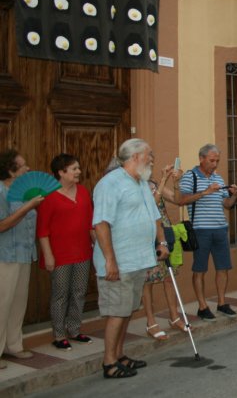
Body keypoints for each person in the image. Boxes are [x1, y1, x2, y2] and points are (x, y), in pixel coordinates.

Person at [93, 139, 169, 378]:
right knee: (117, 312)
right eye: (149, 155)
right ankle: (109, 363)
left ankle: (119, 354)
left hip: (138, 260)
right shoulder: (110, 183)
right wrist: (110, 260)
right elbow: (101, 223)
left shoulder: (140, 182)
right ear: (135, 156)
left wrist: (162, 242)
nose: (152, 159)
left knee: (126, 311)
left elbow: (154, 214)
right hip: (119, 262)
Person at [176, 144, 237, 320]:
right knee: (200, 269)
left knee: (223, 268)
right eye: (212, 160)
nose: (215, 164)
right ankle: (202, 306)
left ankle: (221, 303)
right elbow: (181, 200)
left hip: (220, 228)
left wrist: (233, 195)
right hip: (200, 229)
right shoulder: (190, 177)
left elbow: (226, 205)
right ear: (201, 158)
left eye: (217, 160)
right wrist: (205, 192)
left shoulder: (218, 178)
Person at [36, 154, 94, 350]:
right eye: (74, 169)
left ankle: (75, 329)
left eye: (78, 168)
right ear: (61, 172)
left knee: (79, 292)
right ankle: (59, 334)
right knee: (60, 294)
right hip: (59, 254)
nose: (78, 172)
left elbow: (90, 224)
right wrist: (49, 255)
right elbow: (42, 231)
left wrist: (99, 246)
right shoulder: (49, 197)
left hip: (83, 252)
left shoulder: (84, 192)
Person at [0, 150, 44, 369]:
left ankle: (13, 345)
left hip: (24, 254)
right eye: (23, 165)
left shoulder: (24, 192)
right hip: (5, 256)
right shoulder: (1, 192)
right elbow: (2, 225)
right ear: (11, 170)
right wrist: (28, 207)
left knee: (18, 302)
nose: (27, 168)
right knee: (1, 304)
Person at [142, 165, 189, 340]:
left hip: (165, 234)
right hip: (148, 236)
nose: (151, 166)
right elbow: (152, 204)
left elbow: (178, 200)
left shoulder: (154, 183)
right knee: (148, 280)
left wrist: (176, 182)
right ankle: (151, 322)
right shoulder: (137, 186)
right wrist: (163, 180)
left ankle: (174, 316)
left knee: (169, 277)